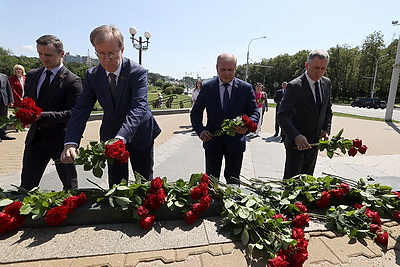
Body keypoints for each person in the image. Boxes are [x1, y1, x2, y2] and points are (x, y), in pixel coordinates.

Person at [60, 25, 161, 187]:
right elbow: (82, 109)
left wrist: (120, 138)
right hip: (111, 132)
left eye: (112, 53)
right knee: (116, 183)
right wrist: (71, 142)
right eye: (101, 53)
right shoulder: (92, 75)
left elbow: (138, 108)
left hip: (140, 133)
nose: (106, 59)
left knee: (144, 182)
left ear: (122, 49)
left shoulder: (137, 72)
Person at [20, 35, 83, 190]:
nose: (43, 58)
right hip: (35, 140)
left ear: (62, 54)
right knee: (26, 186)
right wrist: (23, 112)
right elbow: (27, 99)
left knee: (70, 187)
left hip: (60, 142)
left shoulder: (72, 81)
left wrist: (41, 116)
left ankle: (72, 213)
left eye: (48, 55)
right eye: (40, 54)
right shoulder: (34, 75)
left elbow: (73, 113)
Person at [190, 53, 259, 184]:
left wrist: (247, 127)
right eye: (223, 69)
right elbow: (195, 113)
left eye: (230, 70)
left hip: (235, 143)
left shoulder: (245, 88)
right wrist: (200, 130)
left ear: (235, 69)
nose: (227, 73)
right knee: (211, 181)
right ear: (216, 68)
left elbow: (255, 113)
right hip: (212, 141)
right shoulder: (207, 87)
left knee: (233, 181)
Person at [277, 49, 332, 180]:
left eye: (323, 68)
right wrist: (296, 136)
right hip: (297, 144)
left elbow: (327, 110)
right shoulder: (295, 86)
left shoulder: (326, 83)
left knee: (308, 180)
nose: (319, 72)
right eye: (316, 68)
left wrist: (325, 129)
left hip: (314, 143)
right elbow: (282, 115)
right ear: (306, 65)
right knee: (292, 181)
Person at [0, 71, 14, 142]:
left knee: (4, 118)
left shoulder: (4, 76)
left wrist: (11, 100)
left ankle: (3, 134)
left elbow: (9, 89)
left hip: (3, 100)